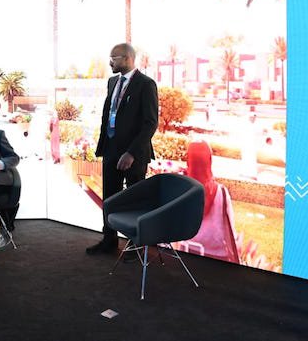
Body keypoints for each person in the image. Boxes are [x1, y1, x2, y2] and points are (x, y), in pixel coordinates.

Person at [86, 43, 158, 255]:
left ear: (127, 58)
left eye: (113, 58)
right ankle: (109, 240)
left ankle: (137, 245)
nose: (110, 62)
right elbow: (109, 114)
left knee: (135, 200)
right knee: (110, 198)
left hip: (133, 155)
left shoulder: (146, 84)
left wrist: (131, 153)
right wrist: (104, 146)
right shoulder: (112, 82)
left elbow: (150, 123)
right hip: (111, 150)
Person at [175, 140, 240, 263]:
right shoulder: (221, 192)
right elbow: (230, 229)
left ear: (189, 161)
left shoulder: (182, 189)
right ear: (209, 160)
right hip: (217, 257)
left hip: (188, 252)